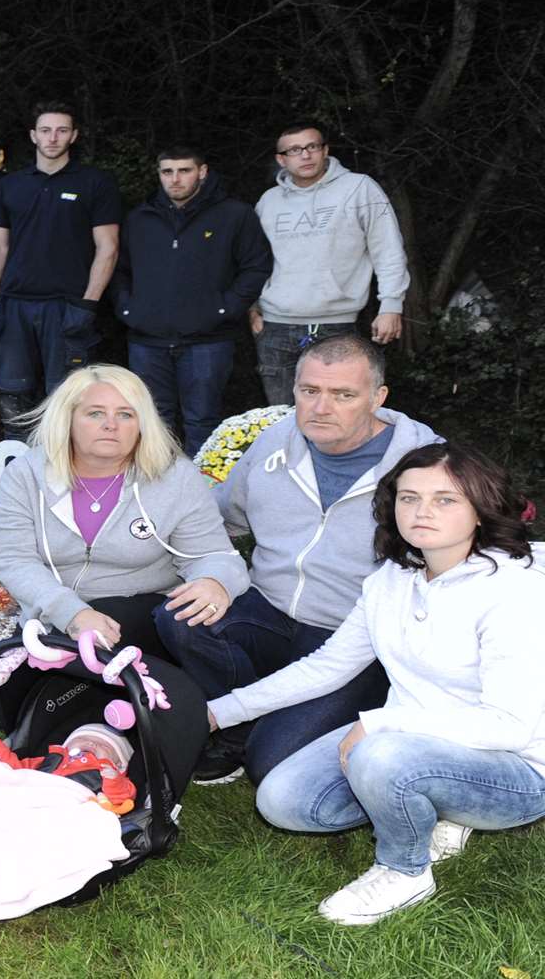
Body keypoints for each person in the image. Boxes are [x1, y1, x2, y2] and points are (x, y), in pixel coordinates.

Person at [209, 442, 545, 926]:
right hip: (412, 743)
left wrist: (382, 723)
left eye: (445, 499)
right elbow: (328, 666)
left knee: (381, 752)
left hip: (515, 770)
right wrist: (219, 712)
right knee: (282, 800)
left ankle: (404, 870)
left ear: (481, 508)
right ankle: (429, 807)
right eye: (408, 497)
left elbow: (510, 727)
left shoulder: (515, 590)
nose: (422, 511)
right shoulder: (392, 578)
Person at [156, 334, 439, 786]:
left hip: (353, 638)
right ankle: (239, 726)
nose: (321, 408)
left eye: (343, 394)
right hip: (269, 609)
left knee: (271, 764)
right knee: (179, 614)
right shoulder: (275, 441)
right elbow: (220, 521)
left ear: (378, 397)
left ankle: (286, 719)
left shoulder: (424, 466)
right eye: (310, 391)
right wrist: (211, 576)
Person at [0, 364, 249, 658]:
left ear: (142, 425)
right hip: (55, 615)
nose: (111, 424)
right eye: (95, 413)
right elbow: (13, 558)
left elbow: (212, 554)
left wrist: (215, 581)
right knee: (14, 698)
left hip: (141, 614)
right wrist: (71, 614)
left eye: (125, 414)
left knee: (83, 683)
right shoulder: (25, 474)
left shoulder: (175, 477)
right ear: (68, 419)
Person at [116, 146, 273, 455]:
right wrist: (128, 309)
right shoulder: (140, 217)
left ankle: (201, 496)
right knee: (151, 422)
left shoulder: (234, 214)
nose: (175, 179)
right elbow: (121, 270)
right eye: (167, 172)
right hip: (148, 341)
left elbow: (256, 266)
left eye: (184, 171)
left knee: (202, 421)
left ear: (202, 172)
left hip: (208, 340)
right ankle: (155, 494)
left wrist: (225, 308)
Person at [251, 121, 410, 404]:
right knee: (281, 420)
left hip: (337, 324)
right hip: (277, 327)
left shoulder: (359, 188)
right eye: (295, 150)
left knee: (339, 415)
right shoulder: (269, 201)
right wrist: (252, 308)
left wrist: (391, 305)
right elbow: (252, 260)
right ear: (281, 159)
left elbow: (388, 249)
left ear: (325, 150)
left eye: (312, 147)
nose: (305, 155)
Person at [0, 102, 123, 420]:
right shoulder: (10, 185)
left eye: (61, 130)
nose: (52, 138)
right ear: (33, 135)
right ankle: (21, 466)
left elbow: (108, 247)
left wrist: (88, 304)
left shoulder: (95, 183)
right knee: (12, 395)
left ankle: (65, 468)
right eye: (45, 130)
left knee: (68, 397)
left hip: (67, 305)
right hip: (15, 304)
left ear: (73, 135)